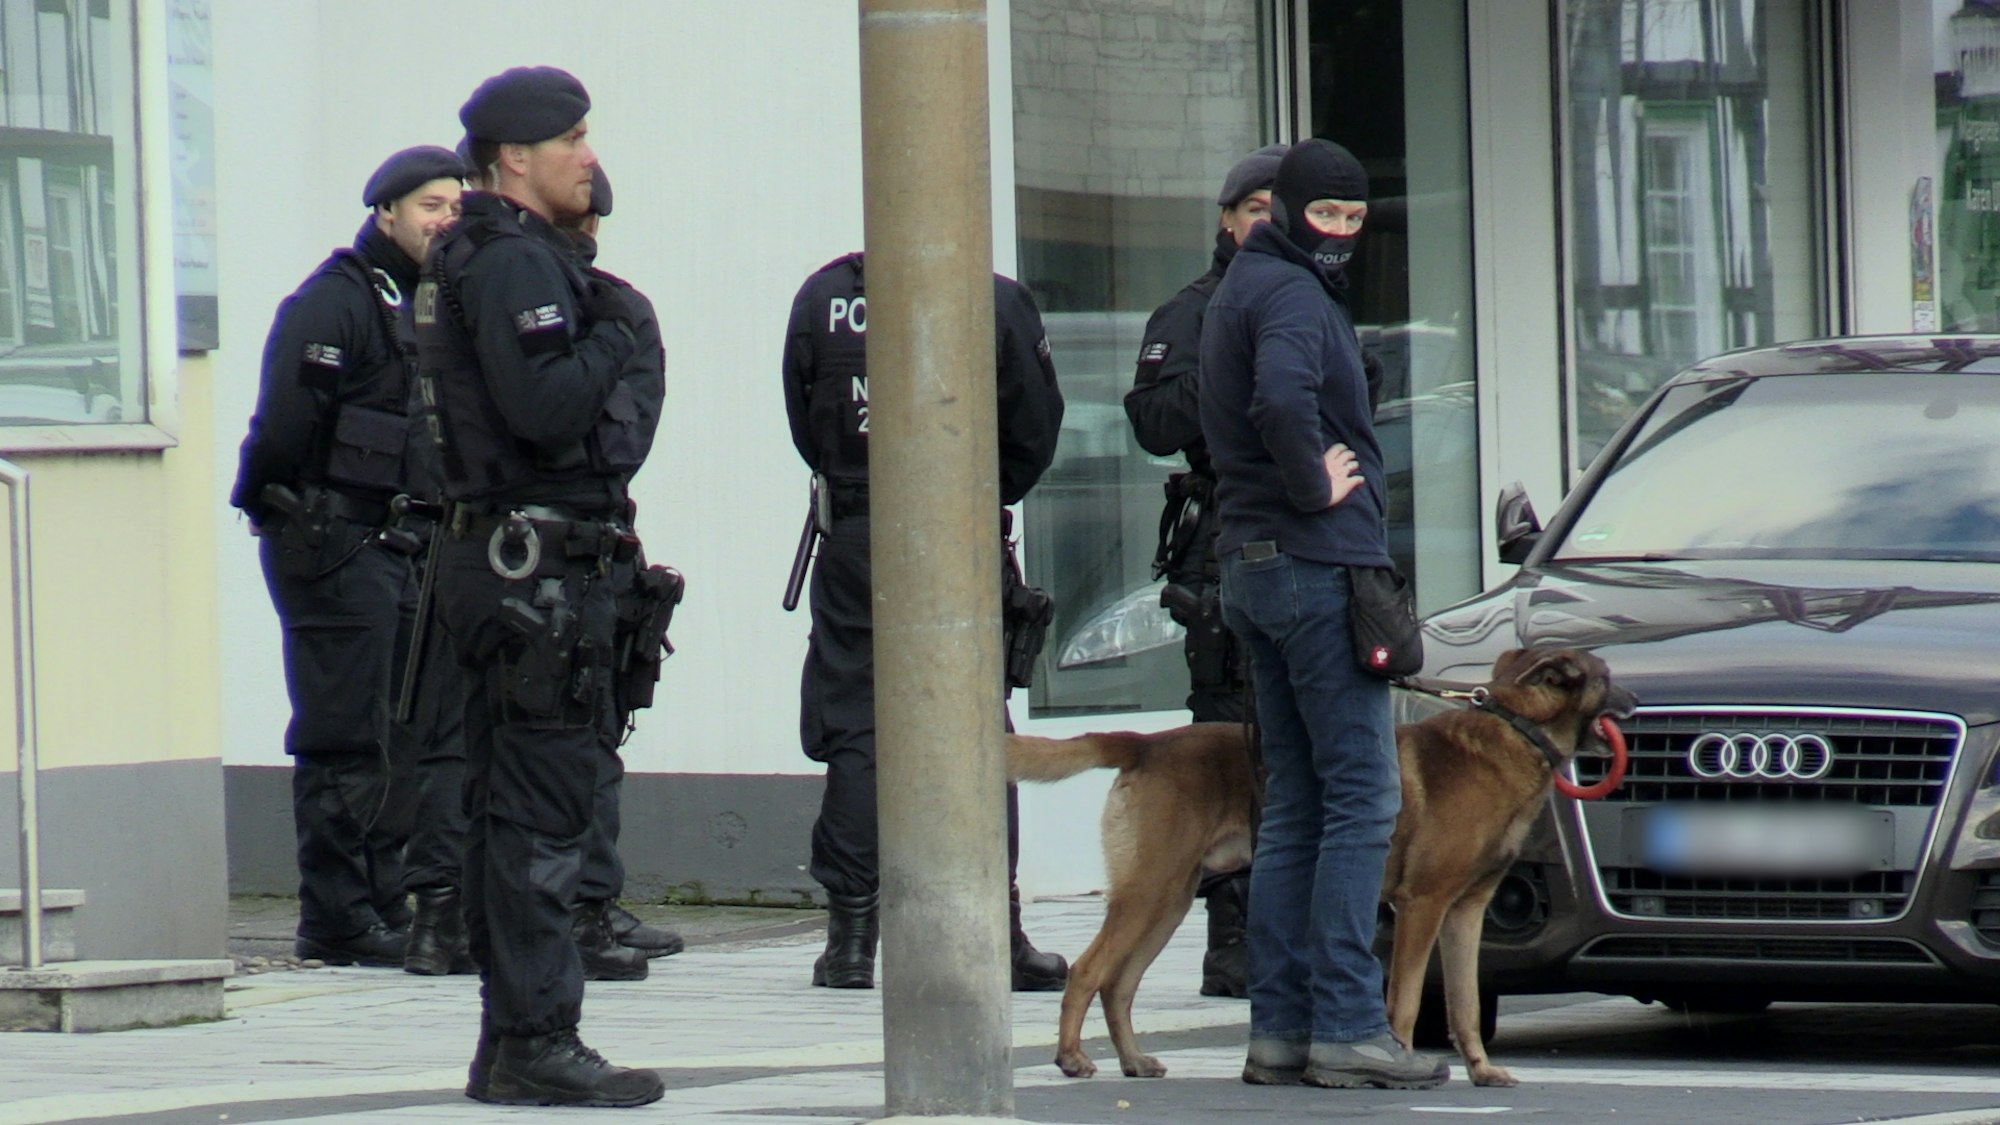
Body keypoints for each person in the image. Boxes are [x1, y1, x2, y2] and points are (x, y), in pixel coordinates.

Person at [414, 66, 664, 1108]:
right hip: (537, 578)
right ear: (515, 157)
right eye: (572, 140)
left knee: (508, 810)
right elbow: (550, 408)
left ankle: (509, 1041)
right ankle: (535, 1040)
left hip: (506, 565)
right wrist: (622, 331)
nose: (588, 157)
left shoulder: (481, 256)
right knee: (542, 816)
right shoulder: (514, 265)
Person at [1196, 138, 1447, 1089]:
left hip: (1255, 571)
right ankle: (1346, 1023)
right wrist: (1314, 482)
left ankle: (1282, 1029)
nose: (1339, 233)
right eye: (1326, 216)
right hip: (1313, 566)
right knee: (1364, 798)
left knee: (1296, 802)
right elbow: (1281, 400)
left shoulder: (1244, 283)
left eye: (1354, 219)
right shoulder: (1296, 294)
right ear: (1291, 209)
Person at [782, 251, 1069, 992]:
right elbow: (1035, 430)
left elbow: (804, 416)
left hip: (855, 530)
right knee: (975, 721)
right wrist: (971, 491)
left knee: (856, 725)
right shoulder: (994, 300)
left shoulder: (826, 296)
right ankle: (995, 933)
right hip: (953, 531)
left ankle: (849, 938)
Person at [231, 144, 467, 969]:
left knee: (396, 730)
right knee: (344, 732)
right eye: (431, 205)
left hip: (394, 540)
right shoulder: (335, 301)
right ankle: (335, 915)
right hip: (330, 539)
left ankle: (381, 901)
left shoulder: (420, 298)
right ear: (386, 213)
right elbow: (285, 424)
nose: (446, 218)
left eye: (454, 205)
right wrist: (281, 510)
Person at [1122, 142, 1283, 999]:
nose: (1269, 223)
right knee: (1230, 742)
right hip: (1223, 541)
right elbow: (1151, 419)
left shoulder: (1314, 302)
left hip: (1307, 537)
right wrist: (1234, 364)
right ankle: (1235, 943)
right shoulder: (1195, 310)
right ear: (1226, 221)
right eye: (1255, 208)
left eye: (1281, 210)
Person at [554, 164, 683, 976]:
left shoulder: (615, 311)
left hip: (585, 543)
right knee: (581, 734)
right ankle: (581, 909)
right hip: (561, 541)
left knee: (590, 724)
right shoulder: (617, 309)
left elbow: (621, 443)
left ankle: (590, 905)